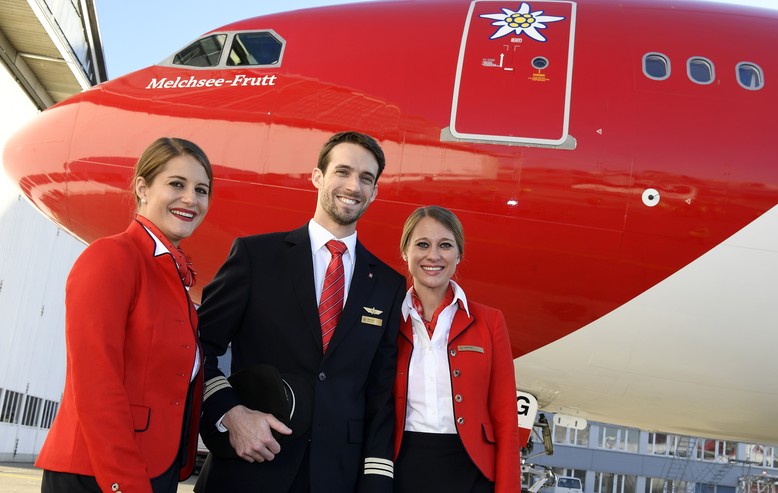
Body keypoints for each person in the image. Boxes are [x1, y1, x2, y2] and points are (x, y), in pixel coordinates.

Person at [195, 131, 405, 493]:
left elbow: (380, 392)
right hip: (250, 467)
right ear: (317, 176)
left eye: (366, 178)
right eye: (342, 172)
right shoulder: (255, 257)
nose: (353, 186)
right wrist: (231, 413)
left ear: (375, 192)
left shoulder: (388, 284)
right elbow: (197, 347)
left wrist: (376, 479)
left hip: (336, 477)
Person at [36, 137, 213, 493]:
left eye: (202, 189)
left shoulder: (171, 277)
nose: (191, 199)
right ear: (143, 188)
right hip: (100, 473)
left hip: (154, 469)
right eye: (176, 184)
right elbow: (96, 382)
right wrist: (125, 482)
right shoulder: (112, 256)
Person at [394, 206, 520, 493]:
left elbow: (506, 420)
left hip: (471, 473)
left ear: (459, 254)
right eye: (422, 244)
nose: (433, 256)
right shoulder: (387, 321)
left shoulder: (490, 322)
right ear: (405, 252)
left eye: (446, 245)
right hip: (402, 470)